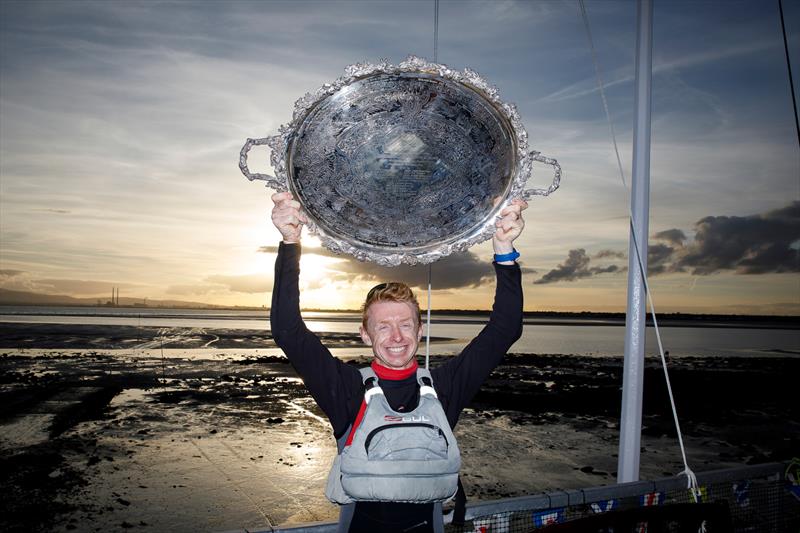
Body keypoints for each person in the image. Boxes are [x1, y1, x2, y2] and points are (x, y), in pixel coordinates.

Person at [269, 191, 527, 532]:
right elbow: (288, 330)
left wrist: (504, 251)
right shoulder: (346, 389)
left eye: (405, 324)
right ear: (364, 333)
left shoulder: (444, 388)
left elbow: (505, 328)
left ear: (420, 330)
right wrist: (290, 242)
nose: (396, 337)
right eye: (383, 326)